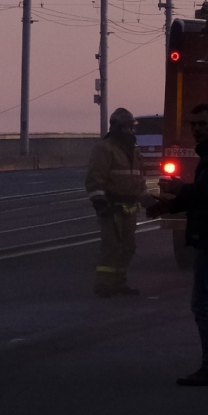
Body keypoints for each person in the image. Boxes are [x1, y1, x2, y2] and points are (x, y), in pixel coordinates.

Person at [148, 102, 208, 386]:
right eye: (193, 124)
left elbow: (206, 193)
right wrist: (168, 207)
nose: (197, 129)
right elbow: (204, 195)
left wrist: (177, 189)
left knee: (202, 304)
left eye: (202, 124)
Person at [85, 107, 146, 297]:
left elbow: (139, 179)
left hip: (129, 208)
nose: (131, 131)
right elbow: (95, 179)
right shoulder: (104, 149)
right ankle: (103, 285)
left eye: (132, 127)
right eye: (128, 127)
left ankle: (119, 283)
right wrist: (101, 204)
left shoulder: (133, 151)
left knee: (128, 247)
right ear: (118, 127)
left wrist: (148, 198)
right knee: (111, 246)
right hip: (111, 208)